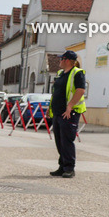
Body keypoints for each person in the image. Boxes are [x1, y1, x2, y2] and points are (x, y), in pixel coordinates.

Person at [48, 50, 86, 178]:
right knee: (59, 141)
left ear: (67, 60)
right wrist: (50, 108)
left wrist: (70, 106)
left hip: (70, 113)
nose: (59, 61)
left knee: (67, 141)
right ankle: (62, 166)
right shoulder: (60, 74)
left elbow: (80, 91)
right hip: (58, 112)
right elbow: (56, 93)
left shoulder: (77, 73)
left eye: (61, 59)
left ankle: (70, 168)